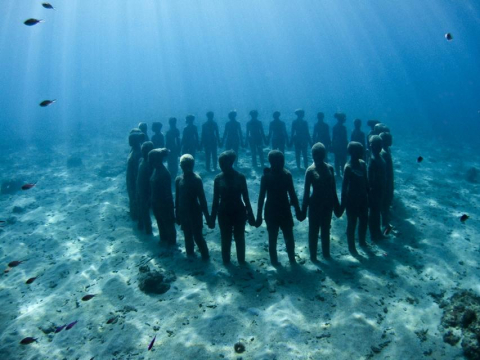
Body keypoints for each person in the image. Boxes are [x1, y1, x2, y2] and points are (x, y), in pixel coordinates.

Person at [210, 151, 255, 265]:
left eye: (222, 163)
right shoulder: (220, 179)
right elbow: (215, 201)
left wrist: (250, 214)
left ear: (230, 163)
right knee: (226, 238)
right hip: (227, 212)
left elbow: (246, 198)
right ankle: (227, 261)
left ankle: (240, 260)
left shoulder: (238, 177)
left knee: (238, 237)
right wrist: (212, 217)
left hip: (235, 212)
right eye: (220, 163)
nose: (221, 166)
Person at [256, 150, 300, 265]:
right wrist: (298, 210)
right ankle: (290, 259)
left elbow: (261, 198)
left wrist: (259, 215)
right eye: (281, 161)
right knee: (285, 236)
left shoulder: (267, 176)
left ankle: (277, 261)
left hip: (272, 210)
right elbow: (292, 195)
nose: (282, 163)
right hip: (283, 210)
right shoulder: (286, 175)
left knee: (275, 237)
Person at [300, 143, 340, 261]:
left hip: (328, 205)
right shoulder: (310, 171)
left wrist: (337, 206)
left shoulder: (330, 168)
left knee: (326, 230)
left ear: (324, 155)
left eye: (320, 155)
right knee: (313, 231)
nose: (318, 157)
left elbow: (334, 190)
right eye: (316, 155)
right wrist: (303, 210)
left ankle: (326, 253)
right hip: (314, 205)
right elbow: (306, 193)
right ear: (312, 155)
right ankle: (313, 256)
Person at [175, 154, 210, 260]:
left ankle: (205, 255)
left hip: (195, 212)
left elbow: (202, 199)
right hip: (183, 212)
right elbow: (177, 198)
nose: (186, 168)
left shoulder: (197, 180)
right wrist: (177, 214)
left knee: (198, 235)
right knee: (187, 235)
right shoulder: (178, 180)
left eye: (188, 165)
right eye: (184, 165)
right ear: (181, 166)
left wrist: (207, 217)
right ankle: (190, 254)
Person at [340, 142, 369, 254]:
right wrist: (343, 204)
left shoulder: (363, 164)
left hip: (363, 199)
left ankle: (362, 241)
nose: (362, 152)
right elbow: (344, 187)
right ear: (352, 153)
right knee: (352, 223)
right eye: (360, 151)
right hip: (352, 200)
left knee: (364, 220)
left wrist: (368, 195)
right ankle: (351, 246)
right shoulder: (348, 167)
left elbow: (366, 181)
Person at [149, 148, 176, 245]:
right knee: (160, 222)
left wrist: (171, 210)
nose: (150, 163)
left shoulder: (165, 174)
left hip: (163, 205)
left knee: (168, 223)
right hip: (156, 203)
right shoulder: (155, 170)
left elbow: (168, 194)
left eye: (151, 160)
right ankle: (163, 238)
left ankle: (171, 242)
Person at [368, 135, 387, 241]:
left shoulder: (379, 158)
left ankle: (377, 231)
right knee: (373, 213)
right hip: (375, 191)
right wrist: (370, 191)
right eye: (378, 145)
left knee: (377, 212)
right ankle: (373, 234)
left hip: (380, 190)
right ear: (372, 146)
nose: (380, 147)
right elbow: (370, 178)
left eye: (380, 145)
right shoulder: (373, 160)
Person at [136, 141, 155, 234]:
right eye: (142, 150)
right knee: (140, 208)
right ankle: (140, 224)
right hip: (139, 189)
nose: (142, 152)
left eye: (145, 150)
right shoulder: (141, 161)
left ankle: (148, 229)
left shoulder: (150, 165)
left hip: (146, 191)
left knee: (145, 210)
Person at [126, 130, 145, 221]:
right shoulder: (133, 149)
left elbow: (138, 169)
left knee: (134, 195)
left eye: (130, 140)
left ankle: (137, 215)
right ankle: (133, 211)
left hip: (134, 179)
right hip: (130, 177)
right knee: (131, 194)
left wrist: (136, 180)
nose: (129, 141)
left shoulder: (138, 153)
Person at [380, 132, 394, 231]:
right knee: (385, 202)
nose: (391, 140)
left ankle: (385, 221)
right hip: (386, 182)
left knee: (387, 201)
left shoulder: (386, 151)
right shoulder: (384, 153)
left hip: (388, 181)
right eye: (389, 139)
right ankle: (385, 223)